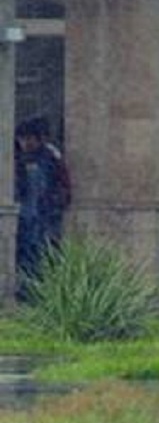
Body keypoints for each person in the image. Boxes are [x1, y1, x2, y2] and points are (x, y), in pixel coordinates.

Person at [13, 117, 71, 299]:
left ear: (39, 139)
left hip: (45, 218)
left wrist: (55, 205)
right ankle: (25, 292)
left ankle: (41, 293)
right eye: (22, 139)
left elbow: (63, 187)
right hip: (24, 218)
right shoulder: (16, 158)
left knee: (44, 255)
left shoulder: (50, 158)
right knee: (24, 255)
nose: (26, 143)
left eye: (29, 138)